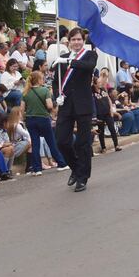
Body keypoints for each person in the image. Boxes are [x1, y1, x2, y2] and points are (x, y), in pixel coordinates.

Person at [52, 27, 98, 192]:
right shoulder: (62, 58)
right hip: (66, 104)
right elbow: (56, 81)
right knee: (61, 140)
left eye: (79, 39)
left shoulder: (90, 55)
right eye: (73, 39)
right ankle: (76, 168)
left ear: (83, 41)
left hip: (83, 105)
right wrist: (57, 95)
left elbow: (89, 66)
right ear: (69, 42)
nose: (76, 42)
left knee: (82, 143)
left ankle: (83, 178)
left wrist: (70, 62)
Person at [21, 71, 68, 175]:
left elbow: (22, 109)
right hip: (43, 118)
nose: (43, 80)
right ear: (38, 80)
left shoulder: (26, 92)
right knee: (51, 141)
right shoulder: (45, 90)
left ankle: (37, 168)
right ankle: (61, 163)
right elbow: (50, 105)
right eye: (42, 78)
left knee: (35, 143)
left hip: (30, 119)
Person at [93, 76, 121, 153]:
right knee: (101, 131)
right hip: (99, 114)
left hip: (107, 112)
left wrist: (111, 109)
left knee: (112, 128)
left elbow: (108, 99)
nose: (100, 83)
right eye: (98, 82)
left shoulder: (103, 89)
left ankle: (116, 145)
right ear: (95, 84)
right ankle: (103, 147)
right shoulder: (92, 92)